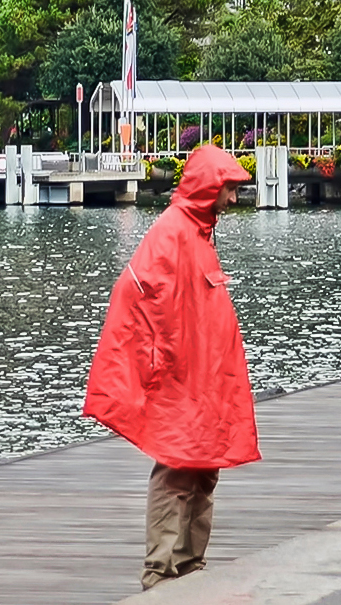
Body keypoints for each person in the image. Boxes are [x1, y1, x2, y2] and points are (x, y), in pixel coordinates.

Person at [83, 145, 259, 590]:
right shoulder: (172, 233)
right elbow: (135, 296)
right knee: (177, 466)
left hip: (207, 377)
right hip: (183, 377)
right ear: (208, 188)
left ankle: (189, 563)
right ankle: (159, 570)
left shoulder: (198, 232)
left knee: (204, 466)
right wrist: (159, 362)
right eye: (229, 189)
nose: (233, 199)